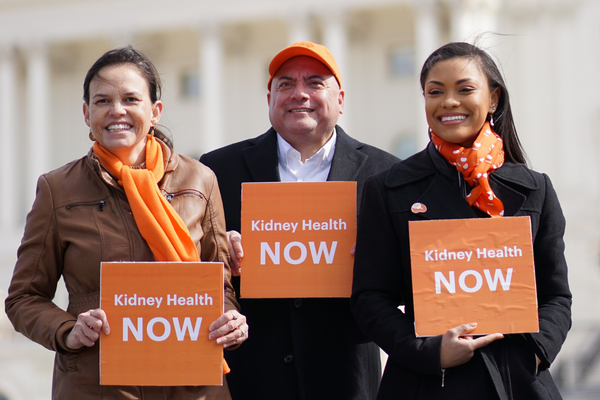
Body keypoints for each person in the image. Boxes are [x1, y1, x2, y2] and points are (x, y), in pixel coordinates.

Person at [5, 46, 248, 400]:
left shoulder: (200, 180)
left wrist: (230, 319)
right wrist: (67, 330)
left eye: (131, 99)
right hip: (98, 384)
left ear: (154, 111)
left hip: (191, 384)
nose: (117, 110)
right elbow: (24, 297)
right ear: (87, 114)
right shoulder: (57, 189)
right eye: (102, 101)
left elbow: (219, 283)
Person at [351, 42, 572, 400]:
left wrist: (535, 351)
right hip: (425, 383)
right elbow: (370, 298)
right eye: (435, 92)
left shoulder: (534, 189)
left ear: (494, 98)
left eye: (465, 89)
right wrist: (429, 350)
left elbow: (556, 295)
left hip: (517, 383)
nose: (449, 102)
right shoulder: (389, 189)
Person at [200, 41, 399, 400]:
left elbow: (405, 280)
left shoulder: (384, 172)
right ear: (269, 99)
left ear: (340, 99)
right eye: (286, 84)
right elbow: (190, 262)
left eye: (315, 83)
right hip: (252, 376)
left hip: (347, 375)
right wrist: (216, 249)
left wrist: (378, 258)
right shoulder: (217, 169)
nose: (299, 94)